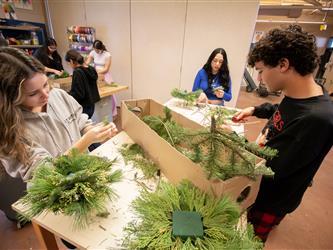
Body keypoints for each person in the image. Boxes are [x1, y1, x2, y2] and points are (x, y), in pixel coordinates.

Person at [233, 25, 333, 242]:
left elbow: (274, 168)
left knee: (249, 240)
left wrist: (236, 140)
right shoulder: (300, 94)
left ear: (283, 64)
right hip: (264, 180)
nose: (259, 79)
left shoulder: (317, 119)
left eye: (260, 71)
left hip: (271, 197)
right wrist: (256, 109)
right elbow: (283, 113)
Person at [0, 47, 118, 182]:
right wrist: (87, 140)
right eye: (33, 93)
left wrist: (97, 132)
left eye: (45, 84)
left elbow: (80, 121)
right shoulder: (10, 128)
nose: (45, 95)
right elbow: (46, 173)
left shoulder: (58, 95)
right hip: (55, 191)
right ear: (11, 97)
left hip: (86, 174)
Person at [86, 39, 117, 117]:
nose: (96, 51)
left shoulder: (107, 55)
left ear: (102, 48)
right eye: (95, 49)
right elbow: (86, 63)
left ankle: (111, 113)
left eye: (98, 50)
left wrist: (95, 72)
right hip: (95, 75)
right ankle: (99, 113)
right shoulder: (92, 53)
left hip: (105, 75)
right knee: (97, 93)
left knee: (110, 94)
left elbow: (106, 69)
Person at [65, 49, 100, 118]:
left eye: (68, 63)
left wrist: (67, 94)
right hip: (91, 105)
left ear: (71, 61)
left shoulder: (77, 72)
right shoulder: (91, 69)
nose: (69, 65)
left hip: (83, 106)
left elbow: (79, 94)